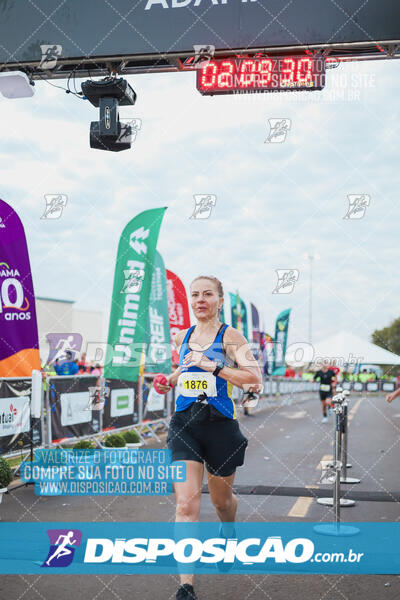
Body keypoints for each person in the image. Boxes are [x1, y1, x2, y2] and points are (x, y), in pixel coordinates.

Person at [156, 276, 262, 600]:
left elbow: (253, 379)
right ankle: (186, 586)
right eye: (195, 294)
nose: (200, 299)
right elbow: (185, 368)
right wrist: (168, 380)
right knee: (186, 504)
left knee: (221, 502)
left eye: (208, 294)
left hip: (220, 426)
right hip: (185, 424)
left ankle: (228, 533)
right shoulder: (182, 336)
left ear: (219, 300)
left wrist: (215, 367)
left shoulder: (231, 336)